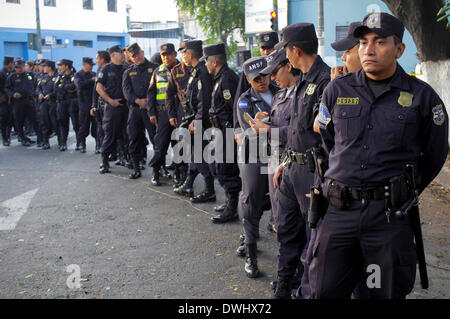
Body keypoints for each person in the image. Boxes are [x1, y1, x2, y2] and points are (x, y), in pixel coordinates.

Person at [310, 12, 448, 299]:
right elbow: (328, 143)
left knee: (379, 292)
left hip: (386, 219)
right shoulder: (337, 90)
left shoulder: (422, 97)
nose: (368, 50)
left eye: (379, 42)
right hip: (339, 214)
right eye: (362, 42)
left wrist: (405, 190)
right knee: (324, 290)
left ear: (399, 49)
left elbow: (434, 154)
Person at [271, 22, 331, 299]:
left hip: (312, 171)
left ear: (295, 50)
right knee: (286, 228)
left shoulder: (327, 81)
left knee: (313, 237)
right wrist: (284, 161)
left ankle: (306, 289)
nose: (286, 55)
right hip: (292, 169)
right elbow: (297, 129)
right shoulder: (303, 81)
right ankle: (284, 282)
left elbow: (328, 136)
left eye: (285, 50)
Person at [235, 56, 278, 278]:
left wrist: (266, 122)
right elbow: (249, 130)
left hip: (279, 156)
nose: (261, 81)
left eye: (264, 75)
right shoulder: (244, 100)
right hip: (256, 156)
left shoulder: (281, 90)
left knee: (279, 203)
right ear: (248, 80)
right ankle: (251, 253)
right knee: (251, 201)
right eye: (256, 79)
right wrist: (271, 123)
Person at [172, 40, 216, 202]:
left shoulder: (202, 72)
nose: (182, 55)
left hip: (200, 122)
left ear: (189, 54)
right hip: (193, 118)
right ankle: (189, 184)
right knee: (195, 154)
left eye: (183, 52)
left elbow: (204, 101)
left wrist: (196, 121)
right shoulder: (196, 71)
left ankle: (209, 189)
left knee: (199, 155)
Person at [203, 43, 242, 223]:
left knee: (226, 169)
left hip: (226, 131)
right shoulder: (219, 77)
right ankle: (229, 201)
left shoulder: (227, 79)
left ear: (215, 61)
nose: (206, 65)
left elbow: (233, 107)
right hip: (218, 130)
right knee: (217, 166)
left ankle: (232, 208)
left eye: (207, 62)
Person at [123, 43, 158, 179]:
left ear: (142, 52)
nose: (136, 58)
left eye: (137, 54)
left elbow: (159, 89)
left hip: (151, 110)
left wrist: (148, 103)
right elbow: (126, 91)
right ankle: (136, 167)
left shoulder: (155, 68)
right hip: (135, 110)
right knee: (134, 138)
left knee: (156, 139)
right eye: (133, 56)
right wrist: (138, 101)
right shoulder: (128, 71)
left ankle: (157, 170)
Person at [147, 43, 180, 186]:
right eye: (163, 55)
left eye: (168, 54)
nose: (166, 57)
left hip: (179, 112)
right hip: (162, 113)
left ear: (175, 54)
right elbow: (151, 93)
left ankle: (179, 174)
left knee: (179, 146)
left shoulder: (183, 69)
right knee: (160, 145)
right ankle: (156, 172)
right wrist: (152, 112)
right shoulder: (158, 71)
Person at [96, 45, 127, 174]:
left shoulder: (126, 68)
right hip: (112, 106)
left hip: (126, 105)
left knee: (126, 134)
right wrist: (110, 101)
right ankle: (104, 161)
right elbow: (99, 88)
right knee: (110, 134)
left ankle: (126, 158)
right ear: (113, 55)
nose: (123, 54)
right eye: (120, 52)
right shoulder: (106, 69)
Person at [166, 40, 193, 187]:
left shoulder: (200, 69)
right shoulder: (176, 70)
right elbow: (169, 95)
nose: (184, 54)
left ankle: (193, 177)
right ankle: (181, 175)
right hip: (182, 113)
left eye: (186, 51)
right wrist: (171, 115)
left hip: (197, 115)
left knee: (197, 149)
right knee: (180, 146)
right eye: (182, 52)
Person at [4, 58, 40, 147]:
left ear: (24, 66)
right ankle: (23, 138)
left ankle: (41, 138)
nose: (18, 69)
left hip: (29, 100)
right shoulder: (12, 77)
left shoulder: (31, 75)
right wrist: (12, 94)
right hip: (17, 102)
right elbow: (7, 88)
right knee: (19, 121)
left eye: (20, 67)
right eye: (16, 67)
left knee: (34, 119)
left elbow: (36, 86)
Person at [54, 59, 78, 151]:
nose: (58, 67)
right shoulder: (60, 76)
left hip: (72, 102)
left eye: (60, 65)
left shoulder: (74, 75)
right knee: (62, 123)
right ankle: (63, 143)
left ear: (67, 66)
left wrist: (62, 86)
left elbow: (73, 87)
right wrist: (65, 88)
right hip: (62, 102)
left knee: (76, 123)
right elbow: (55, 88)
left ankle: (79, 143)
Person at [74, 57, 97, 153]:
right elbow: (79, 85)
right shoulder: (78, 75)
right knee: (83, 125)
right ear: (84, 65)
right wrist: (91, 81)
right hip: (83, 103)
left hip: (93, 102)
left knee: (96, 126)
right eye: (90, 65)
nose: (91, 67)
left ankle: (98, 145)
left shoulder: (94, 74)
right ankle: (82, 144)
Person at [90, 50, 111, 154]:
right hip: (101, 104)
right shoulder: (100, 70)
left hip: (111, 105)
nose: (96, 61)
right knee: (101, 129)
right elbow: (96, 89)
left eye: (97, 58)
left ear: (102, 60)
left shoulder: (113, 68)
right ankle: (104, 152)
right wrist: (94, 105)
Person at [37, 60, 58, 150]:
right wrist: (39, 94)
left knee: (56, 123)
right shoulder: (43, 77)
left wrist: (51, 95)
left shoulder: (57, 77)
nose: (43, 68)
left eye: (45, 66)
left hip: (54, 103)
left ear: (49, 67)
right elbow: (38, 88)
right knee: (44, 122)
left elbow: (58, 90)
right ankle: (45, 142)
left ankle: (61, 142)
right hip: (44, 103)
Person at [0, 56, 15, 146]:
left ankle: (8, 136)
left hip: (10, 99)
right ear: (9, 63)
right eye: (12, 63)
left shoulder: (11, 73)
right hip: (4, 99)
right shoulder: (2, 73)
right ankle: (5, 138)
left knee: (10, 119)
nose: (13, 65)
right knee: (4, 119)